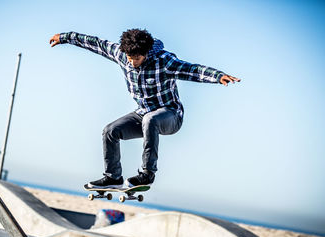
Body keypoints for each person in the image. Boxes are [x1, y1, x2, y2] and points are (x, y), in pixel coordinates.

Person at [49, 29, 240, 189]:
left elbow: (192, 70)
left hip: (170, 115)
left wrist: (218, 76)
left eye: (138, 58)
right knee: (110, 131)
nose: (133, 62)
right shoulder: (122, 55)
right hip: (142, 113)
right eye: (130, 58)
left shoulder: (164, 62)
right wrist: (65, 37)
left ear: (147, 53)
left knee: (151, 119)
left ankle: (147, 173)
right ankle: (113, 177)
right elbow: (96, 43)